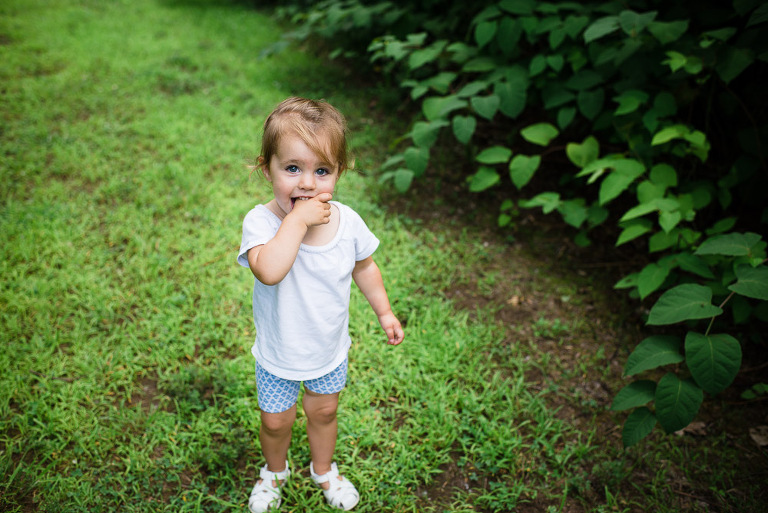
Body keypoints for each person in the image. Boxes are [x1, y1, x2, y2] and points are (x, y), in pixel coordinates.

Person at [237, 97, 404, 512]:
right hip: (279, 353)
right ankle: (274, 472)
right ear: (266, 167)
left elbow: (364, 267)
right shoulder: (262, 223)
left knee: (324, 413)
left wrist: (383, 311)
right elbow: (269, 270)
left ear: (339, 172)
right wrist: (295, 221)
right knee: (276, 421)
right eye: (292, 168)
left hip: (328, 351)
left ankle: (323, 469)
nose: (308, 184)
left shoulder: (347, 223)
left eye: (322, 171)